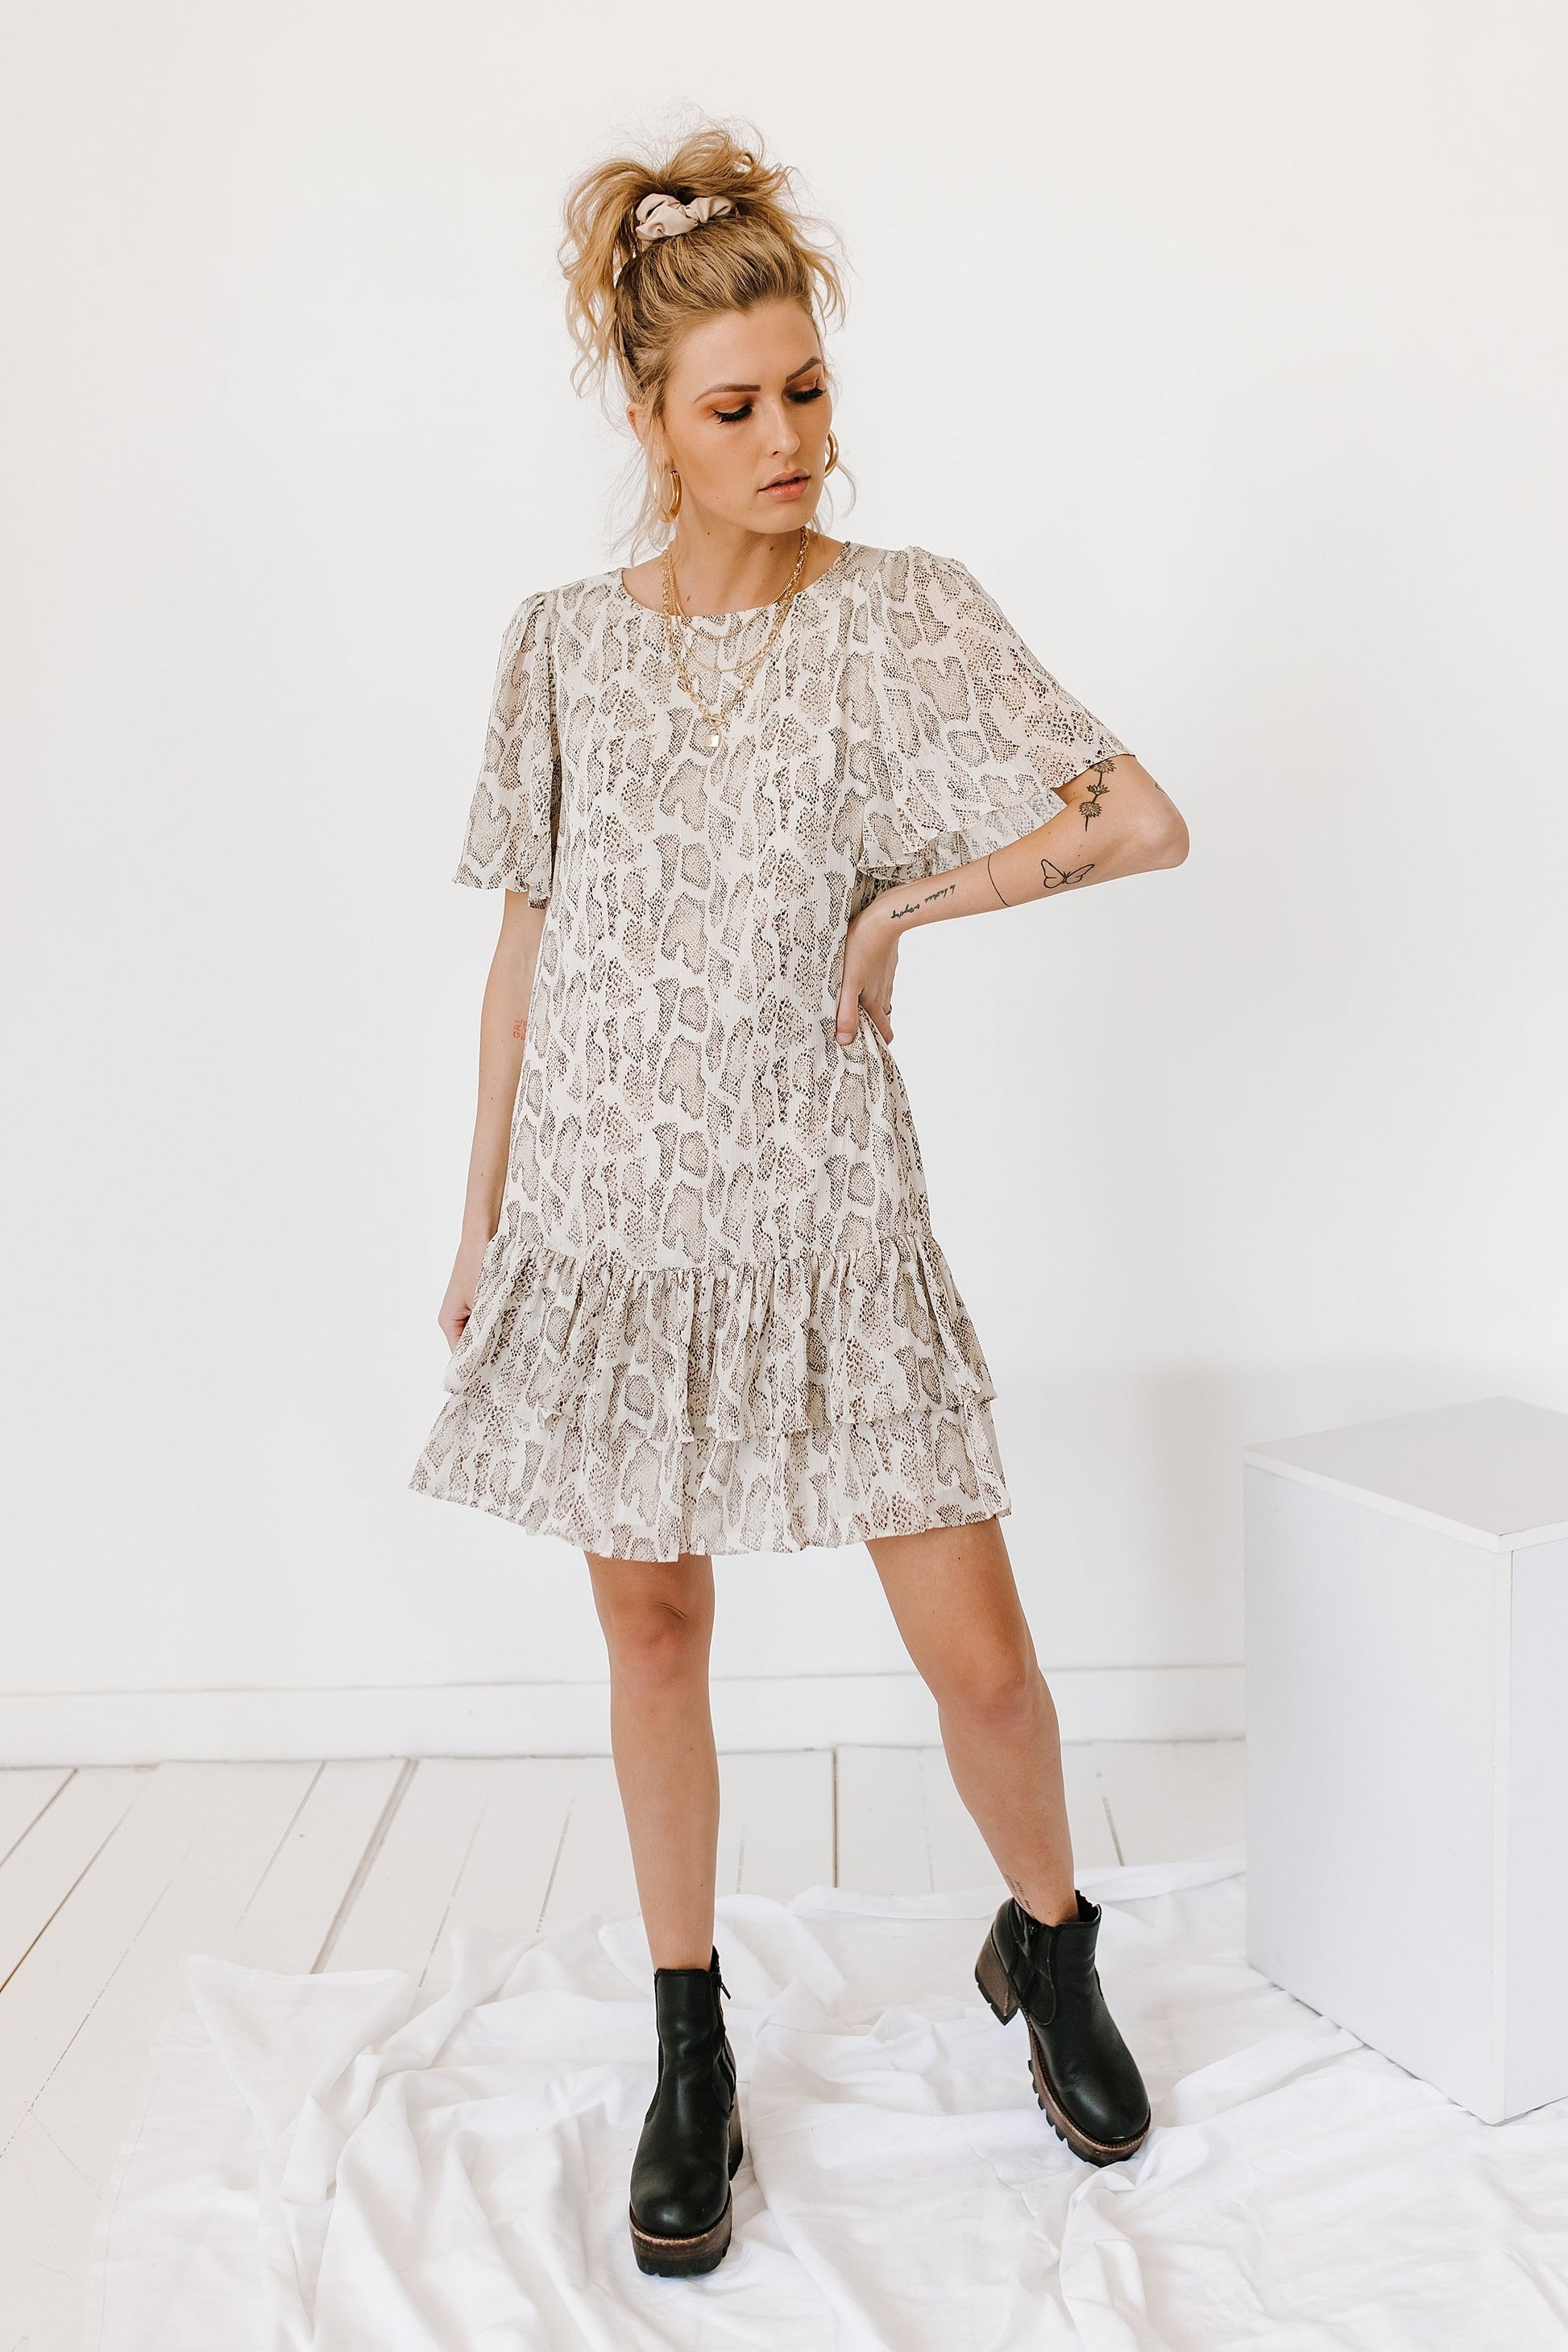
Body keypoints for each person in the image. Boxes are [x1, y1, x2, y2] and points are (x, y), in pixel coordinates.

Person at [409, 119, 1189, 2279]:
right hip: (608, 1222)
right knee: (654, 1631)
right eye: (735, 407)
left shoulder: (902, 614)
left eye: (808, 390)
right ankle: (690, 2039)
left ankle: (1047, 1941)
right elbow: (525, 955)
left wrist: (907, 905)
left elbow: (1136, 818)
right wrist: (482, 1218)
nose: (788, 440)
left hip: (830, 1222)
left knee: (984, 1663)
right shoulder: (560, 647)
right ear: (649, 421)